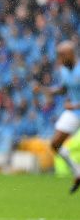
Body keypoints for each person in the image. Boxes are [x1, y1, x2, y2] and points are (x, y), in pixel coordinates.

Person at [36, 40, 80, 193]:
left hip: (74, 108)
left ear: (71, 54)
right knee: (55, 143)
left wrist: (73, 105)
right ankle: (77, 171)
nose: (60, 59)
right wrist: (44, 90)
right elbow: (63, 89)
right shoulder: (64, 70)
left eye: (62, 56)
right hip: (74, 112)